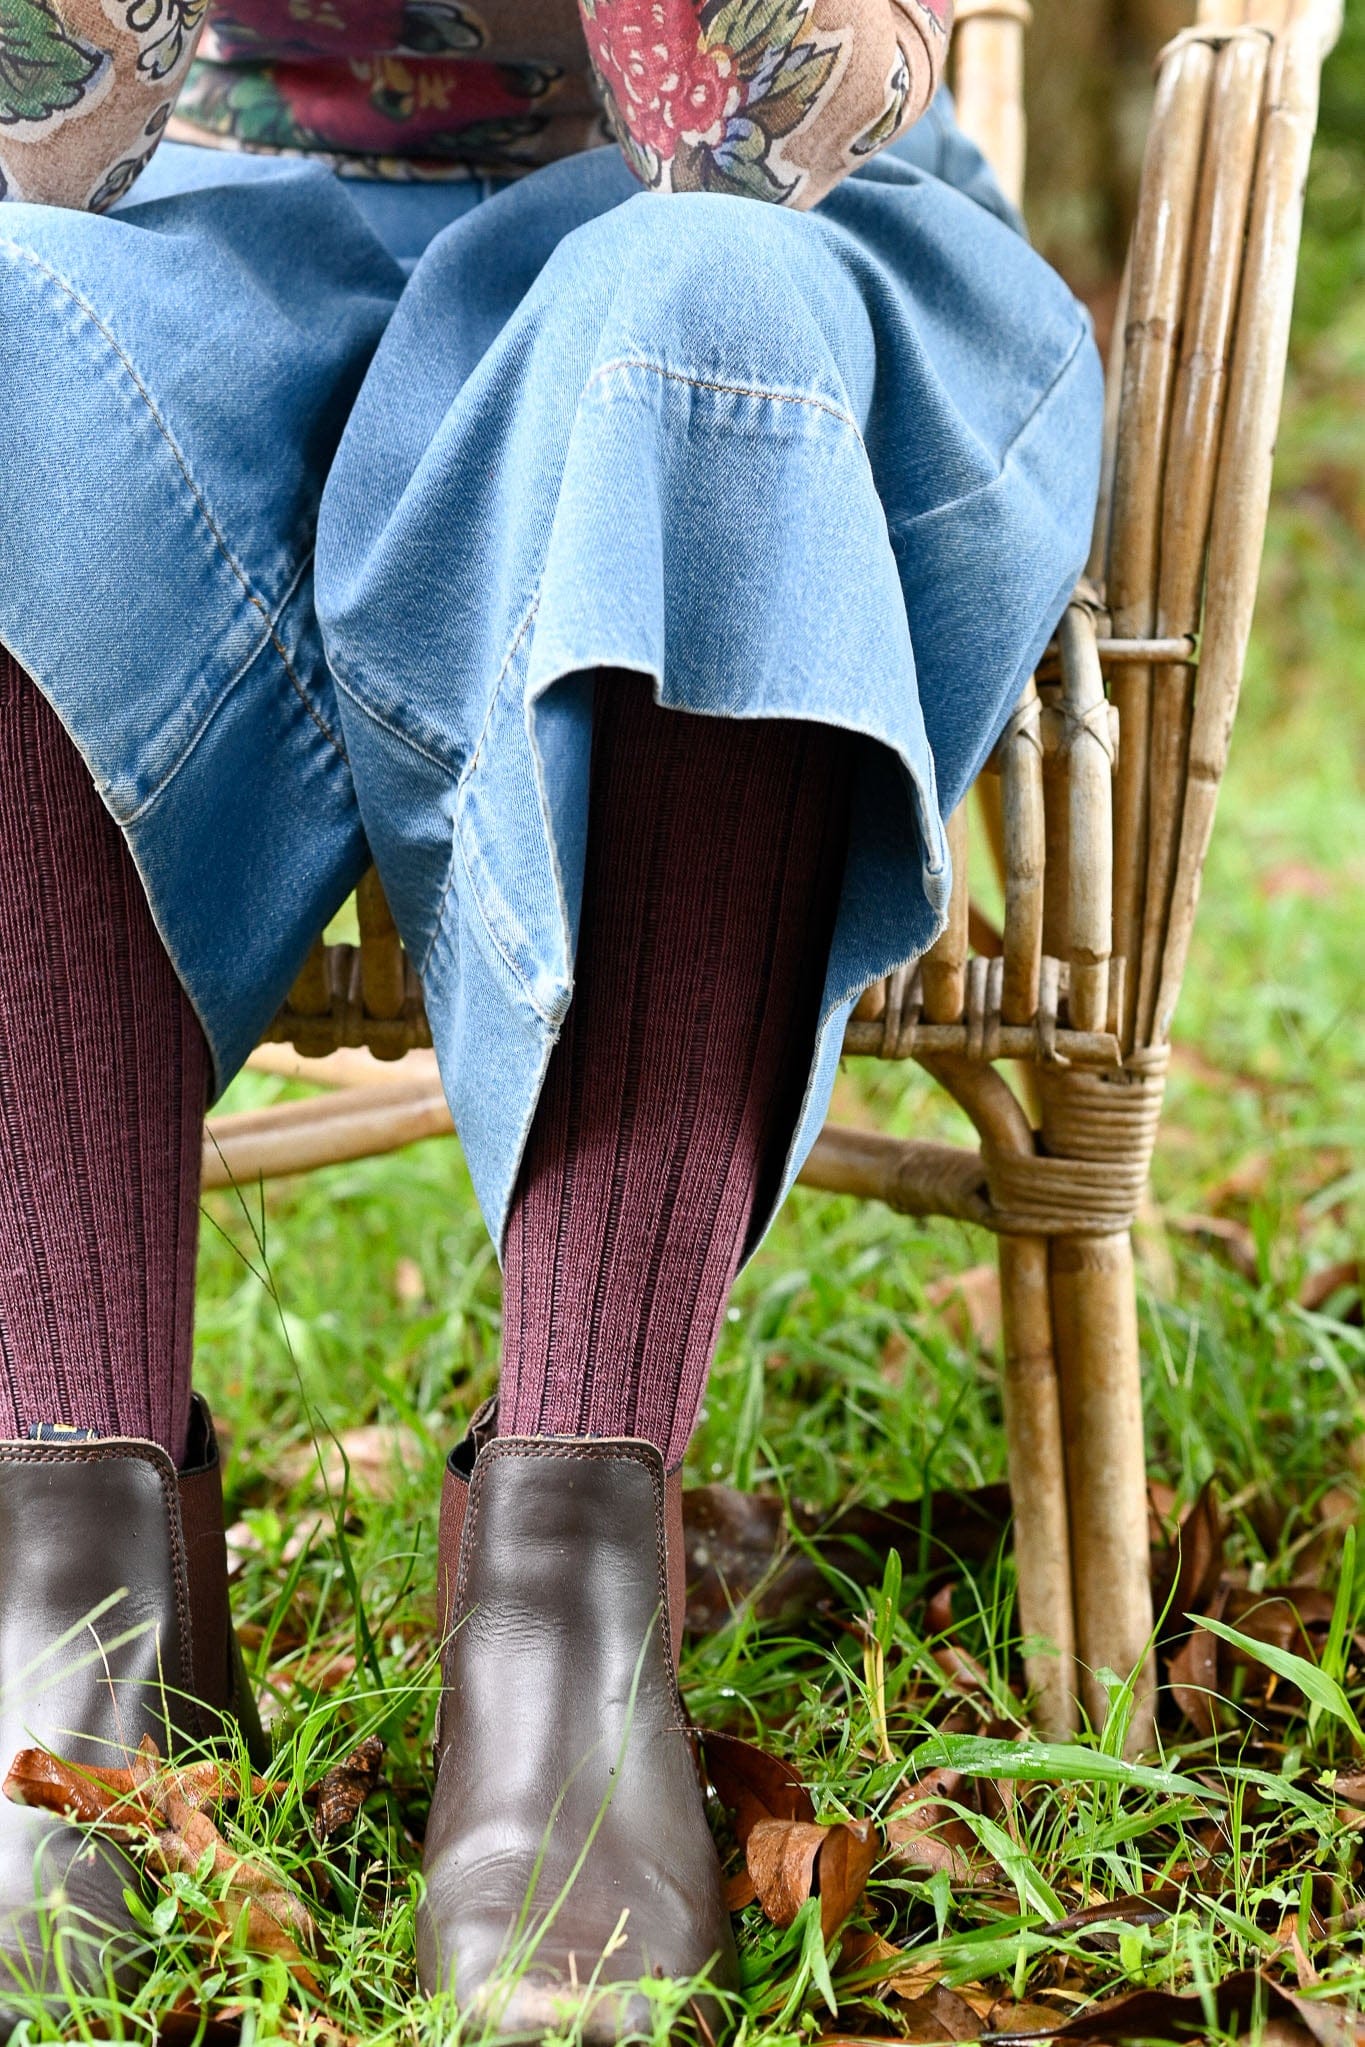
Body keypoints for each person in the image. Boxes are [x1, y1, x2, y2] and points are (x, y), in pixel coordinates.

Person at [0, 0, 1101, 2026]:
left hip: (749, 199)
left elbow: (779, 119)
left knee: (697, 314)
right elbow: (39, 151)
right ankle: (74, 1596)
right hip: (212, 209)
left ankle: (567, 1614)